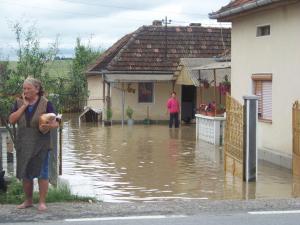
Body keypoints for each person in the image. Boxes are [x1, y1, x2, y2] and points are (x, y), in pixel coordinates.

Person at [8, 77, 59, 211]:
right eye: (24, 88)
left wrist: (52, 125)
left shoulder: (46, 103)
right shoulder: (18, 102)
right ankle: (28, 201)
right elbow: (11, 120)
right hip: (23, 144)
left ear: (37, 89)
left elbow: (56, 120)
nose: (25, 91)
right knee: (26, 173)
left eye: (28, 88)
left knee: (42, 173)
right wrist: (24, 106)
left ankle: (42, 202)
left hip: (41, 144)